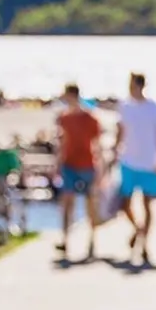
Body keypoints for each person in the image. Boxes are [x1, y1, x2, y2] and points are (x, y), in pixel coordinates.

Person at [111, 72, 156, 265]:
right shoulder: (124, 107)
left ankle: (144, 244)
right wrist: (114, 153)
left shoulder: (155, 109)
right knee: (124, 204)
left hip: (149, 162)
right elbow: (119, 132)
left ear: (139, 85)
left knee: (147, 205)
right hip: (128, 162)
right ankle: (138, 229)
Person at [55, 83, 103, 260]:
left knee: (91, 205)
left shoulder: (90, 118)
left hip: (87, 165)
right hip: (69, 164)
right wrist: (58, 163)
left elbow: (97, 146)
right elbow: (62, 141)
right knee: (67, 203)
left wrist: (100, 170)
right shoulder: (64, 118)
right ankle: (65, 239)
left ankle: (92, 240)